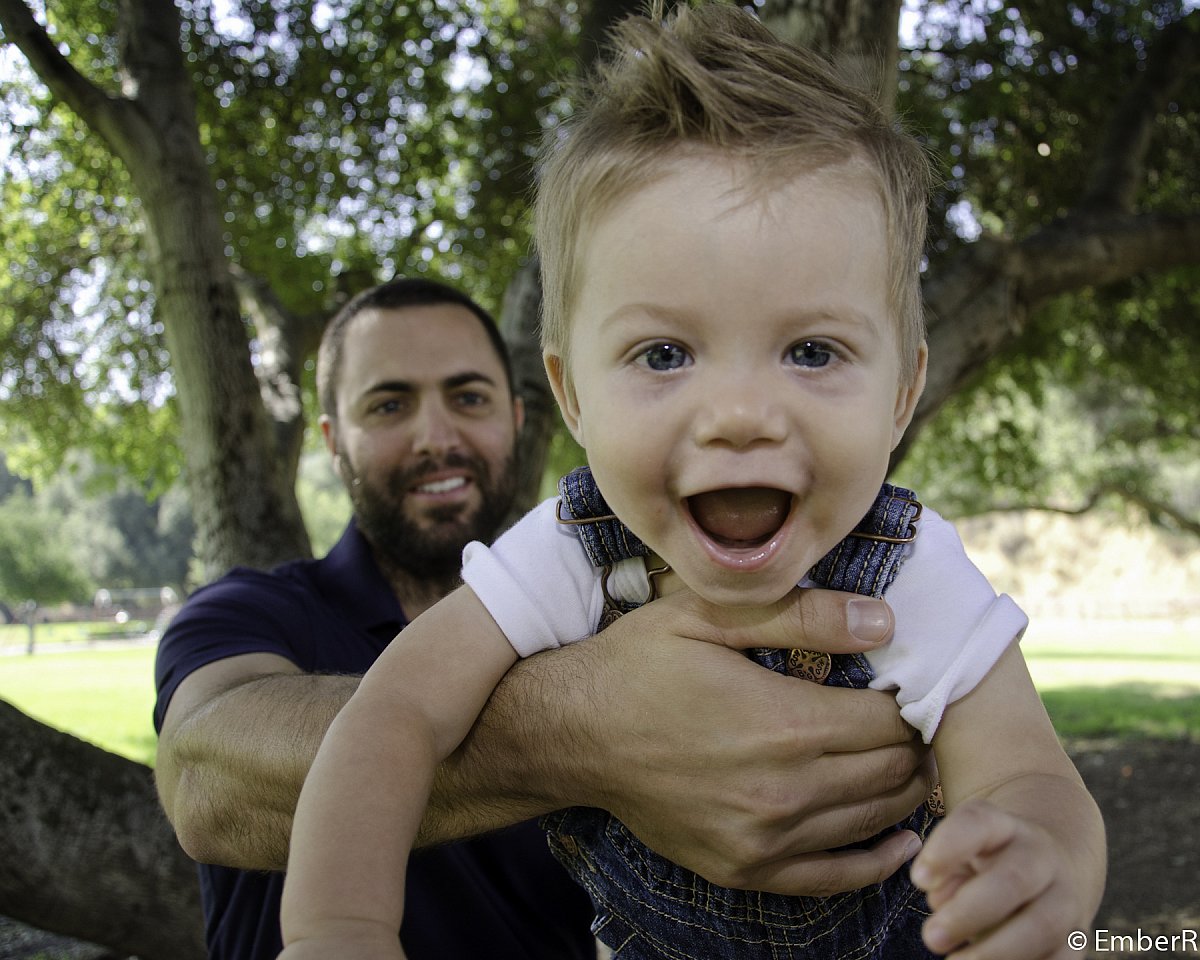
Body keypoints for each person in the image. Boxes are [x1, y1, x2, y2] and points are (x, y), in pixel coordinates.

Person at [278, 6, 1105, 960]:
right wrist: (337, 929)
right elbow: (393, 716)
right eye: (665, 353)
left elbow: (1032, 777)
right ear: (573, 394)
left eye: (812, 350)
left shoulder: (911, 570)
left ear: (903, 391)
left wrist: (1038, 857)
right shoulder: (567, 551)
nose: (741, 414)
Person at [153, 277, 940, 960]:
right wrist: (586, 731)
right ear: (334, 441)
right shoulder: (246, 609)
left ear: (523, 416)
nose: (437, 436)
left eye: (468, 397)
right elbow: (203, 778)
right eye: (389, 404)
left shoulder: (617, 590)